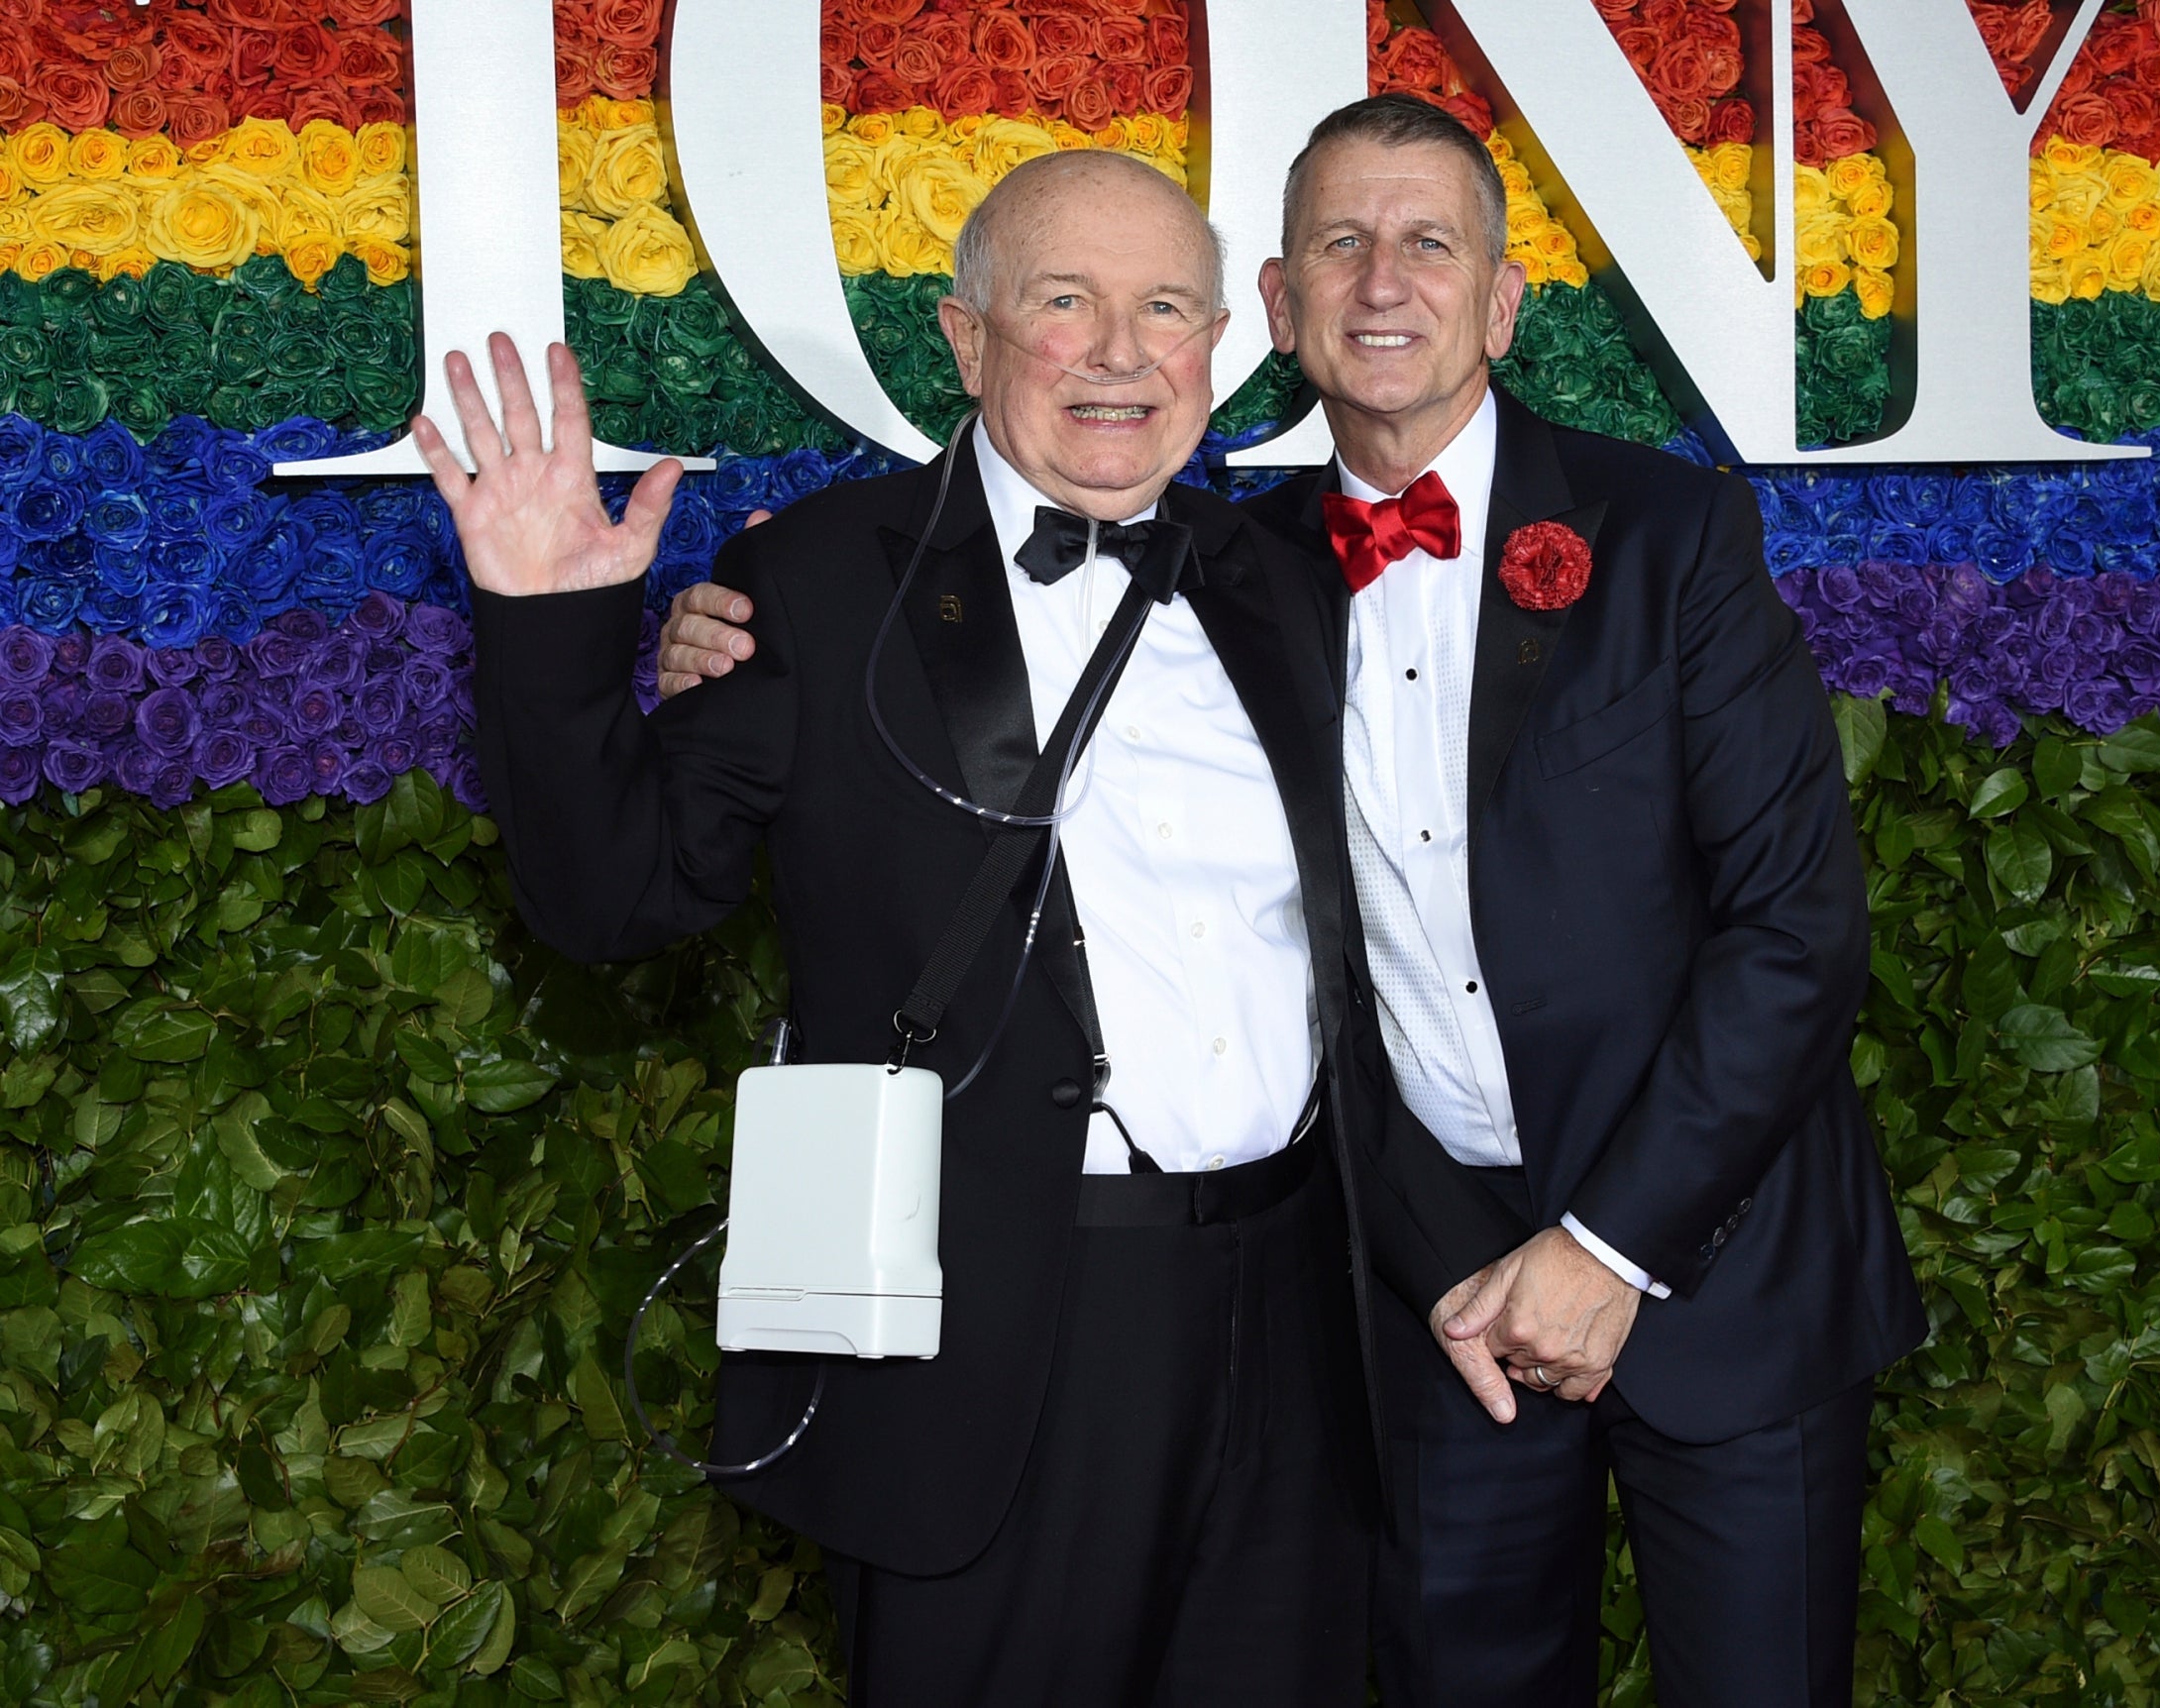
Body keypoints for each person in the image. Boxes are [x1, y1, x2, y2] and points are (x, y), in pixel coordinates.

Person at [659, 96, 1926, 1708]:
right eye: (1339, 241)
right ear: (1274, 307)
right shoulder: (1228, 566)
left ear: (1503, 299)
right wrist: (733, 629)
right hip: (1430, 1298)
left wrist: (1607, 1249)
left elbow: (1796, 929)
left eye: (1427, 242)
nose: (1381, 279)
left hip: (1721, 1269)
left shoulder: (1665, 532)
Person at [422, 149, 1376, 1707]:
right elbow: (612, 904)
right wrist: (553, 628)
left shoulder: (1286, 581)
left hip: (1297, 1322)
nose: (1123, 352)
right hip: (1002, 1332)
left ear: (1221, 344)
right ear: (967, 336)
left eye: (1165, 309)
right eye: (1065, 303)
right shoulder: (814, 582)